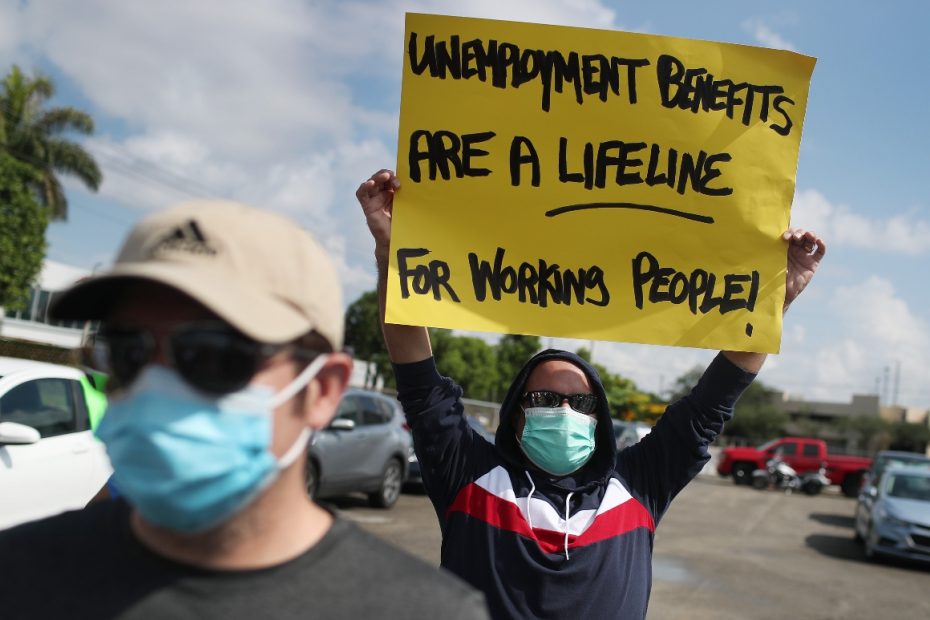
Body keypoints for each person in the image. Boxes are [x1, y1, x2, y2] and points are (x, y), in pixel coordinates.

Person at [356, 169, 826, 619]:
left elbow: (711, 404)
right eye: (545, 400)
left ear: (598, 418)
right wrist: (391, 254)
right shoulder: (469, 474)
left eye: (580, 403)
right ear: (516, 414)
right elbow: (419, 381)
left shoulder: (639, 484)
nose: (564, 411)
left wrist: (774, 301)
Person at [0, 199, 488, 620]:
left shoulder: (423, 610)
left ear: (322, 390)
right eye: (127, 352)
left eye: (212, 355)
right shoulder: (20, 573)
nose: (154, 384)